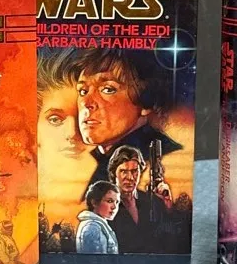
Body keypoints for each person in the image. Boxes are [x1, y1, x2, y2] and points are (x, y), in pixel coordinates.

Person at [73, 49, 181, 189]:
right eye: (83, 91)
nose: (86, 103)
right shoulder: (103, 159)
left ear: (146, 101)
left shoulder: (170, 159)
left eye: (108, 89)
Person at [106, 145, 174, 254]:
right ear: (114, 173)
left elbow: (168, 238)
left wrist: (168, 207)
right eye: (124, 171)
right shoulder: (104, 205)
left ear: (140, 172)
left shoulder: (150, 200)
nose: (130, 177)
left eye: (134, 171)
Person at [75, 181, 120, 254]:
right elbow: (95, 260)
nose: (114, 207)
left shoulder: (98, 225)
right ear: (94, 203)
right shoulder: (92, 227)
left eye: (117, 202)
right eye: (109, 201)